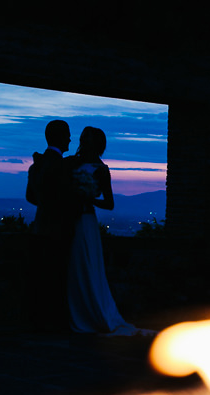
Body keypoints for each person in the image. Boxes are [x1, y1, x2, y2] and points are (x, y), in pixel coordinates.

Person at [64, 126, 145, 336]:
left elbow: (109, 203)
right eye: (84, 138)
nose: (85, 142)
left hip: (84, 221)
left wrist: (88, 198)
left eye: (89, 139)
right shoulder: (71, 162)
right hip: (69, 219)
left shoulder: (101, 169)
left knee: (84, 265)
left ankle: (89, 313)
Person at [26, 119, 79, 332]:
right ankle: (55, 322)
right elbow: (67, 197)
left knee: (41, 278)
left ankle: (39, 321)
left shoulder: (36, 164)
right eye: (67, 134)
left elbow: (31, 197)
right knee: (57, 278)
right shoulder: (63, 166)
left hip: (41, 228)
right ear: (60, 137)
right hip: (59, 230)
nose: (70, 139)